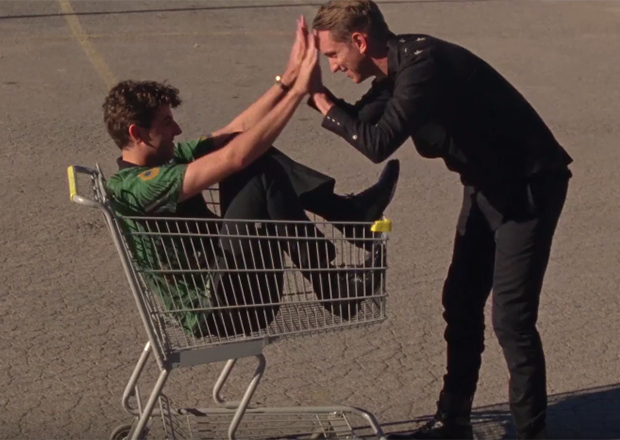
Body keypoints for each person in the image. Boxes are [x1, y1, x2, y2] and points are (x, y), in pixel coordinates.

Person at [306, 1, 573, 439]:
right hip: (486, 185)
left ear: (359, 41)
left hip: (529, 187)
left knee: (512, 320)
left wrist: (318, 96)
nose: (333, 66)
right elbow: (360, 123)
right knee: (461, 302)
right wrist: (306, 91)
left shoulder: (422, 66)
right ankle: (454, 421)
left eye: (333, 55)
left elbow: (377, 143)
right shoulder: (396, 73)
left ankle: (530, 432)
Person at [102, 19, 399, 339]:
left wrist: (288, 79)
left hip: (234, 282)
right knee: (256, 169)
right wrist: (300, 92)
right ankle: (332, 276)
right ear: (137, 133)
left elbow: (235, 132)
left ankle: (344, 224)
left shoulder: (164, 159)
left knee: (249, 151)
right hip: (219, 308)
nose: (177, 130)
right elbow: (236, 158)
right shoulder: (137, 187)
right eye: (166, 123)